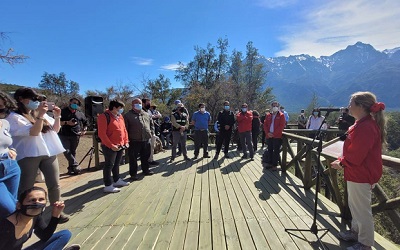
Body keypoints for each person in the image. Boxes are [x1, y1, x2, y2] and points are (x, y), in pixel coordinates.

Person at [330, 91, 387, 250]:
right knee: (355, 206)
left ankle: (365, 243)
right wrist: (343, 161)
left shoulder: (366, 127)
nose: (348, 107)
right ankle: (356, 233)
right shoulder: (361, 124)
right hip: (356, 172)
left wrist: (341, 163)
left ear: (361, 107)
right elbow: (353, 151)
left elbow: (357, 154)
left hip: (362, 174)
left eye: (351, 104)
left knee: (362, 211)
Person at [6, 88, 69, 223]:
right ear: (21, 99)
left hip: (48, 152)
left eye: (37, 99)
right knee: (26, 187)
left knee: (54, 184)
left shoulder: (39, 113)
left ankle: (57, 212)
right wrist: (40, 116)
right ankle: (26, 214)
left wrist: (57, 116)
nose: (36, 102)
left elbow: (55, 130)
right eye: (33, 99)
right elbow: (34, 132)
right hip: (29, 154)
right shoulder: (13, 117)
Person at [0, 186, 80, 250]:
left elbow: (45, 236)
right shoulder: (5, 227)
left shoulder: (35, 217)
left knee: (64, 234)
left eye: (41, 199)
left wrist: (55, 215)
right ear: (19, 205)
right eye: (32, 200)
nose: (37, 203)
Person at [97, 100, 130, 193]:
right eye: (120, 108)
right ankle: (107, 185)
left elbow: (124, 130)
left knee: (117, 163)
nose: (121, 110)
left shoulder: (120, 116)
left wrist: (126, 141)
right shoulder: (104, 116)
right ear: (114, 108)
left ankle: (116, 180)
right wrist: (111, 145)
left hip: (120, 145)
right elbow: (102, 134)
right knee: (109, 165)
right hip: (109, 146)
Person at [0, 91, 20, 218]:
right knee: (9, 208)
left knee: (14, 203)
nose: (2, 110)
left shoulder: (5, 123)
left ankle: (13, 236)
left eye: (3, 107)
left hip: (11, 166)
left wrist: (12, 150)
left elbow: (6, 142)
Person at [124, 98, 154, 181]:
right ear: (132, 105)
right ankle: (133, 174)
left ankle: (146, 170)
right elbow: (125, 129)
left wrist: (151, 132)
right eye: (137, 103)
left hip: (146, 139)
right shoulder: (127, 116)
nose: (139, 105)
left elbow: (151, 125)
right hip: (134, 141)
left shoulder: (146, 114)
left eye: (140, 103)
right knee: (133, 159)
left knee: (145, 156)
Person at [58, 98, 88, 175]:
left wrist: (84, 130)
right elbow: (56, 122)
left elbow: (86, 123)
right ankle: (75, 165)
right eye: (74, 103)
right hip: (64, 134)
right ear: (70, 102)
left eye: (77, 104)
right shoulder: (62, 112)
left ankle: (72, 169)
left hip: (75, 135)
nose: (75, 105)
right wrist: (67, 122)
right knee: (66, 151)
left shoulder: (80, 113)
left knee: (73, 152)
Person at [263, 101, 286, 171]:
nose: (274, 107)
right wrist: (267, 133)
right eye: (273, 106)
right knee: (269, 149)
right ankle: (269, 163)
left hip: (277, 136)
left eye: (276, 106)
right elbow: (265, 125)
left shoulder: (281, 115)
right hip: (269, 136)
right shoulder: (268, 115)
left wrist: (274, 134)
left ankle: (275, 165)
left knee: (276, 151)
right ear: (271, 107)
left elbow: (281, 126)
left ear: (278, 107)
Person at [142, 98, 160, 166]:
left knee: (152, 147)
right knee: (146, 149)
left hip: (152, 132)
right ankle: (145, 163)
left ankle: (151, 160)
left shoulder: (149, 111)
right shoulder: (141, 111)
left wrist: (152, 132)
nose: (149, 104)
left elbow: (151, 121)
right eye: (147, 103)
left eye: (150, 102)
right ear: (143, 103)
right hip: (145, 133)